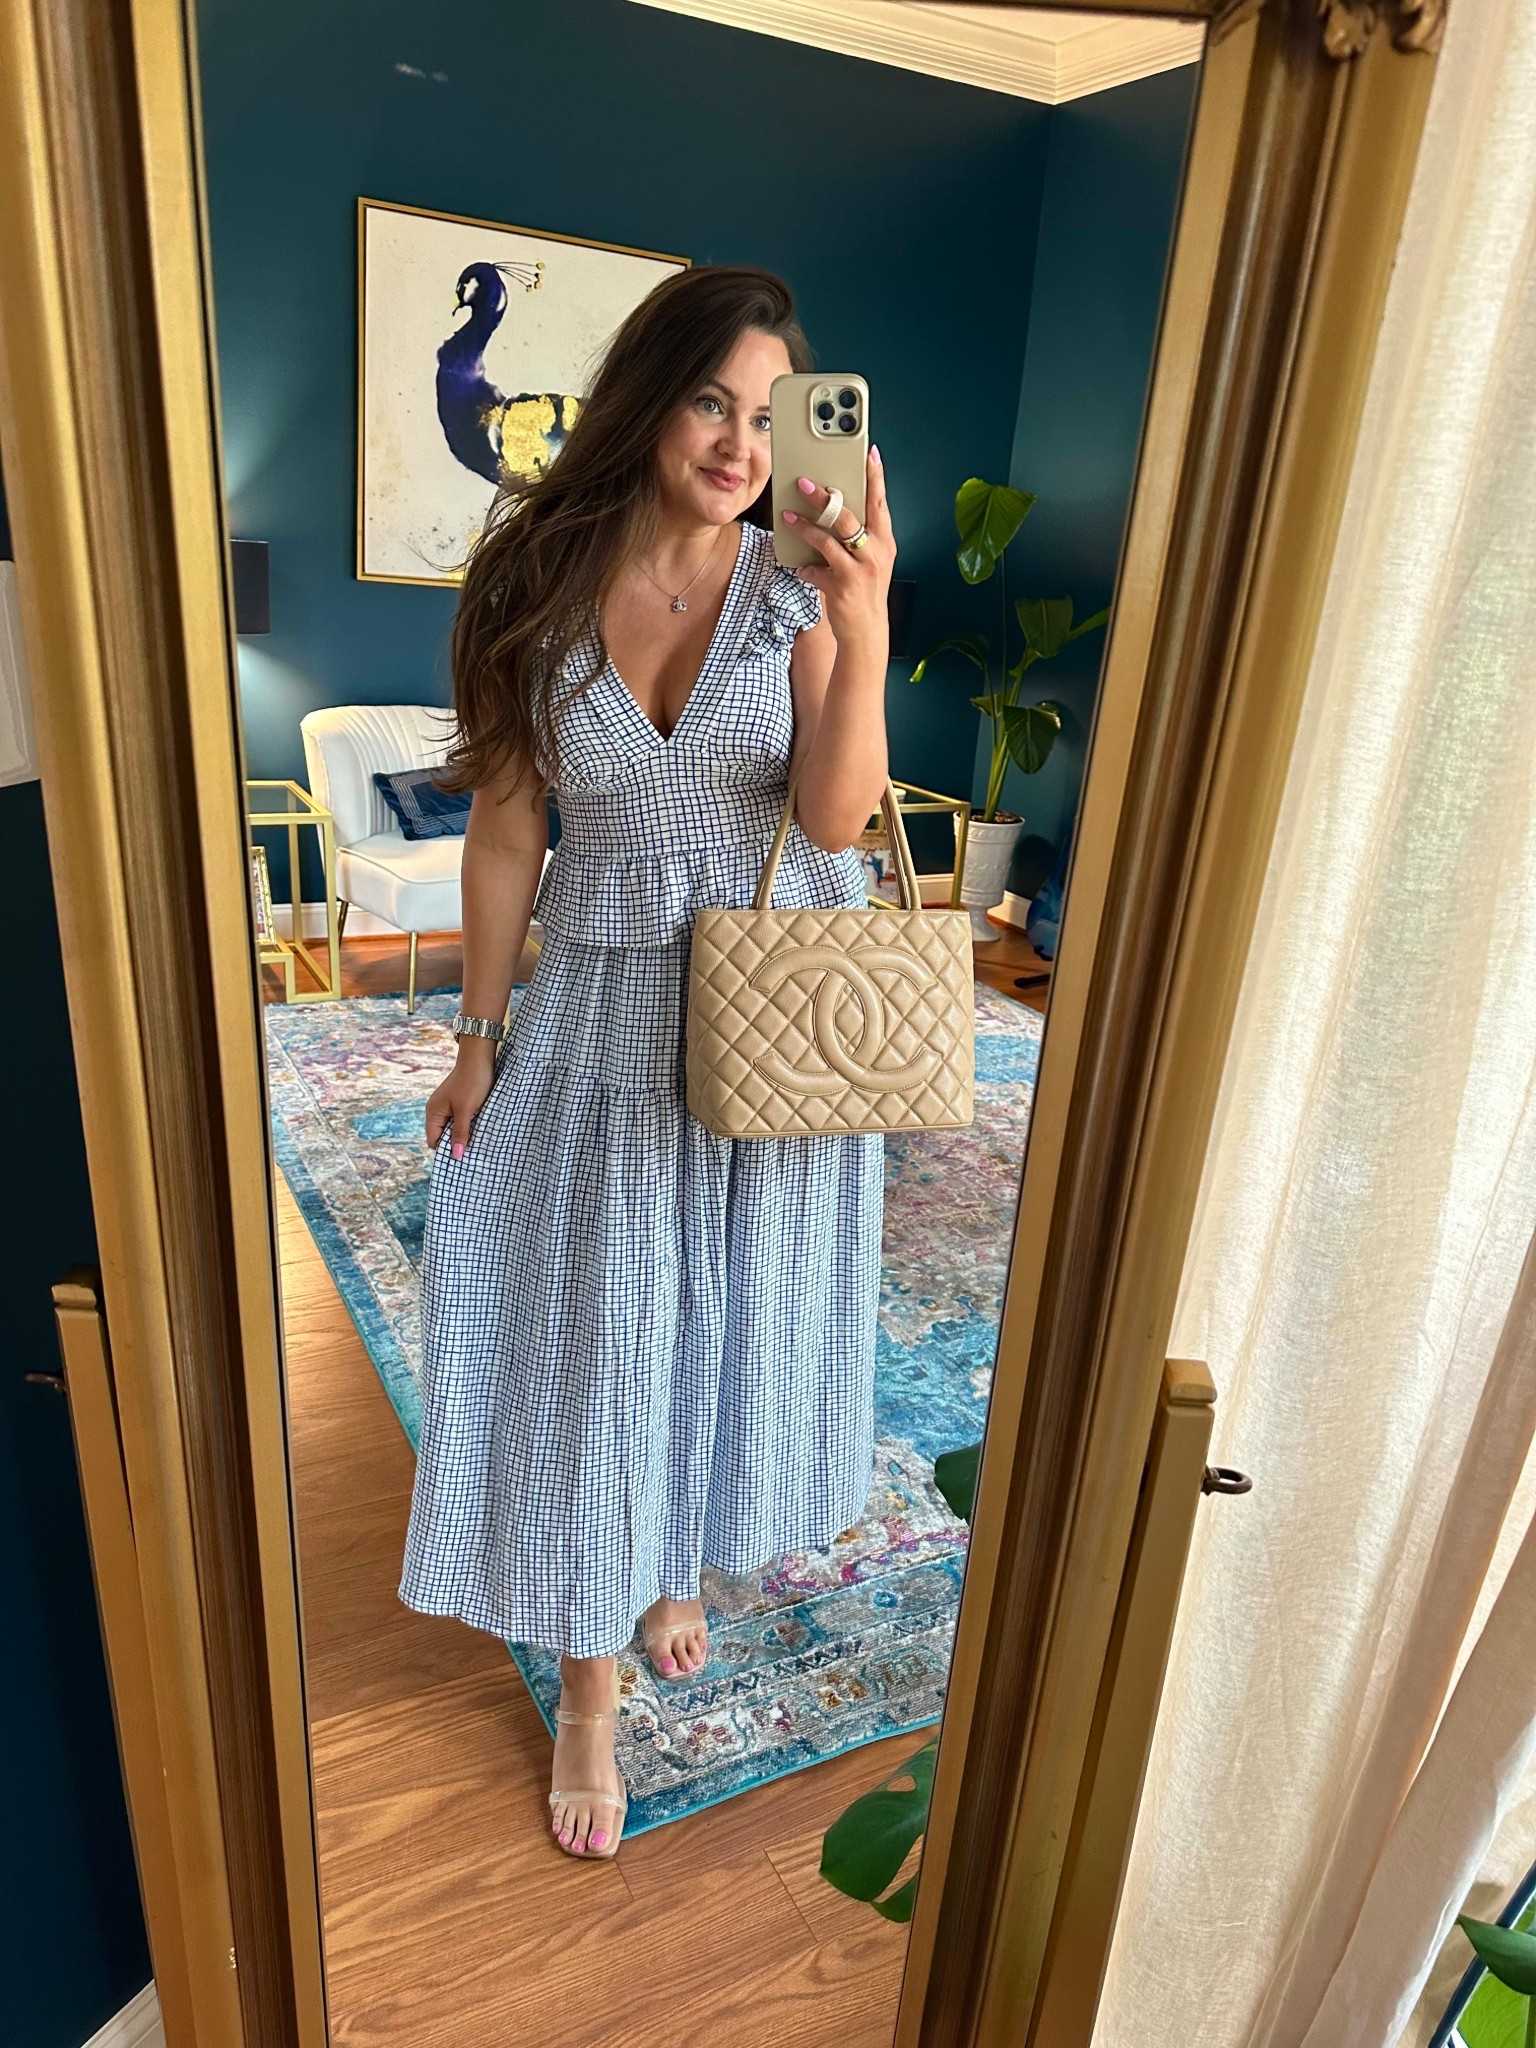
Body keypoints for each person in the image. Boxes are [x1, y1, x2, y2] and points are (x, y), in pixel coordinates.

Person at [398, 265, 897, 1861]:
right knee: (600, 1334)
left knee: (721, 1315)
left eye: (769, 415)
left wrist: (864, 622)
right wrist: (479, 1037)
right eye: (709, 402)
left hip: (772, 1019)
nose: (742, 444)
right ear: (646, 396)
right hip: (607, 1008)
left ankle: (673, 1564)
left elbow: (836, 819)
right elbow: (505, 830)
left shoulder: (796, 588)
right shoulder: (534, 582)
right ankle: (589, 1687)